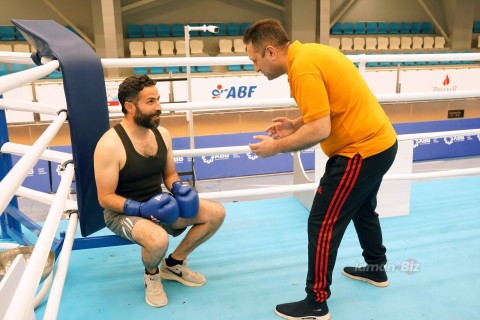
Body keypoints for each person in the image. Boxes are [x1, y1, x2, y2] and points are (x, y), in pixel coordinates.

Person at [243, 19, 398, 320]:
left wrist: (275, 147)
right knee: (363, 209)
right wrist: (294, 124)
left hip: (360, 151)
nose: (256, 68)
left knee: (322, 221)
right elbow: (327, 107)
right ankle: (376, 269)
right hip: (381, 144)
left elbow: (320, 129)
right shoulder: (311, 54)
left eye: (255, 60)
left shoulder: (303, 69)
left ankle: (316, 301)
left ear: (270, 52)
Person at [93, 74, 226, 308]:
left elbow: (169, 174)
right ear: (129, 107)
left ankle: (174, 264)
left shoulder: (161, 134)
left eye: (158, 100)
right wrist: (139, 208)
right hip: (123, 213)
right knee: (157, 239)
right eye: (151, 102)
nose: (159, 108)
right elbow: (104, 198)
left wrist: (178, 187)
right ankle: (152, 275)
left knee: (216, 213)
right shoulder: (110, 144)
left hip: (160, 206)